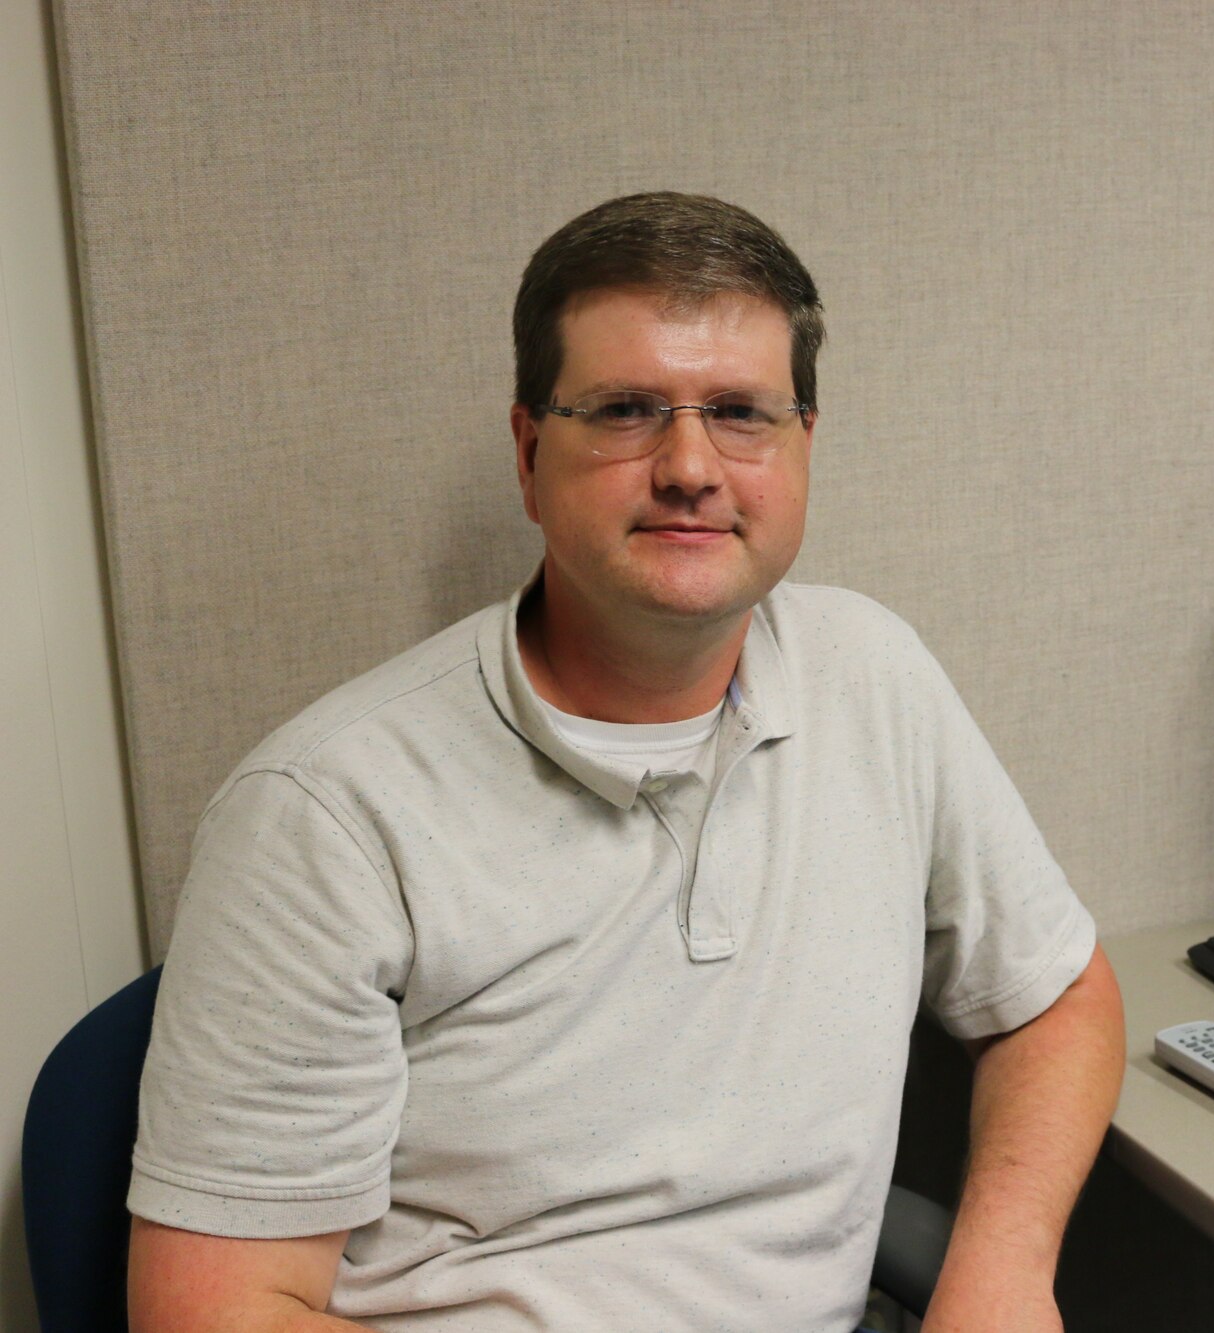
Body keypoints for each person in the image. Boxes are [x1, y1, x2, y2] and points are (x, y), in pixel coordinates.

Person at [126, 192, 1125, 1332]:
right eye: (625, 410)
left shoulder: (874, 677)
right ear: (528, 450)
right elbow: (209, 1313)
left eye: (742, 412)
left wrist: (999, 1269)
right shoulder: (324, 813)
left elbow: (1057, 998)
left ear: (804, 445)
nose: (690, 465)